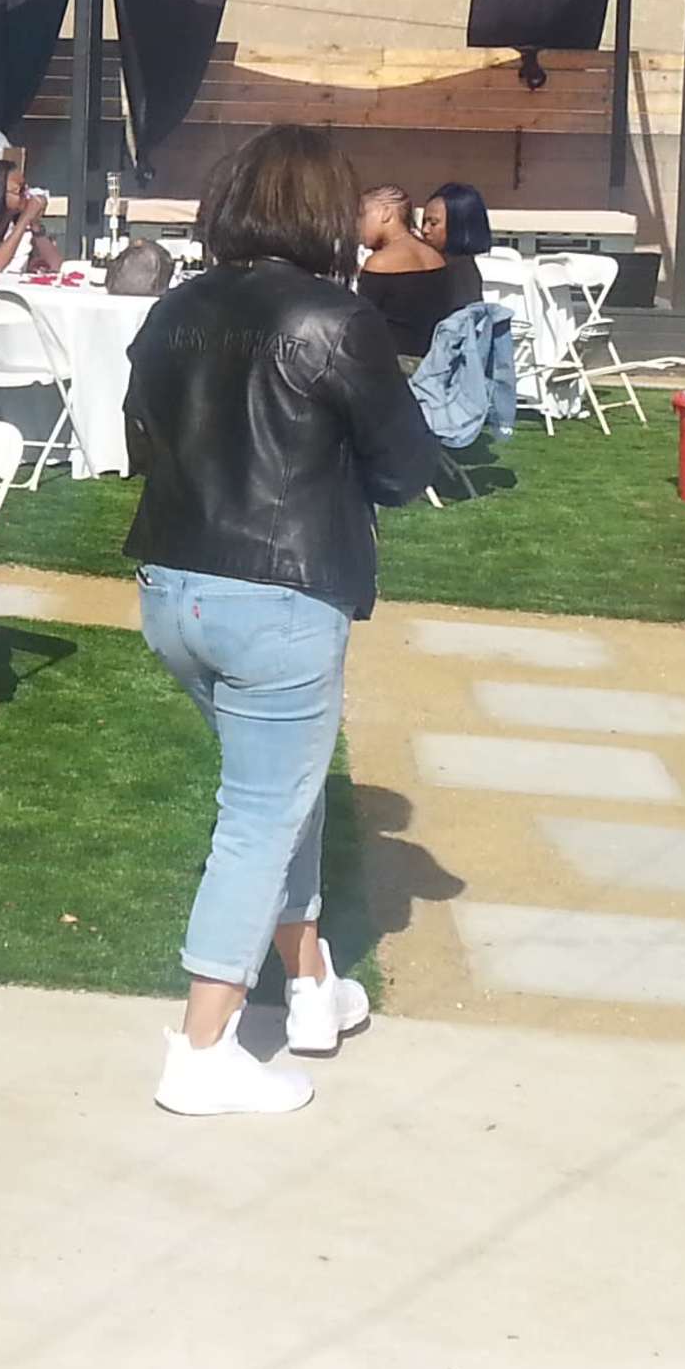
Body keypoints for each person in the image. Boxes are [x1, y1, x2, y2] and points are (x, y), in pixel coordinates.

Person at [123, 124, 445, 1118]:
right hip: (282, 598)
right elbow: (404, 466)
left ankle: (311, 987)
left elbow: (140, 436)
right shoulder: (335, 320)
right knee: (260, 818)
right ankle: (202, 1048)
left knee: (282, 797)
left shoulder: (173, 308)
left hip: (175, 590)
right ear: (325, 212)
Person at [351, 182, 477, 362]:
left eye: (362, 215)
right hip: (433, 365)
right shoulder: (435, 256)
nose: (357, 224)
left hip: (392, 367)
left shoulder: (380, 262)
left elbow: (361, 325)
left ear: (386, 213)